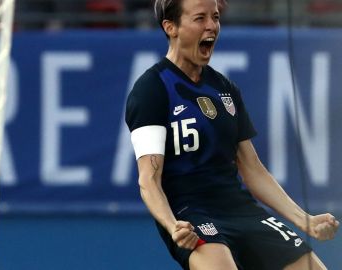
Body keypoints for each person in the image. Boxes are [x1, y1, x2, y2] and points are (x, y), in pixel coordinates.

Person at [124, 0, 339, 269]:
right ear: (171, 27)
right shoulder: (151, 89)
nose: (212, 26)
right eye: (200, 18)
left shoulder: (224, 88)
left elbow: (252, 169)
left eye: (215, 17)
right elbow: (149, 180)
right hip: (191, 214)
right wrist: (172, 225)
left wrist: (303, 219)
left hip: (240, 208)